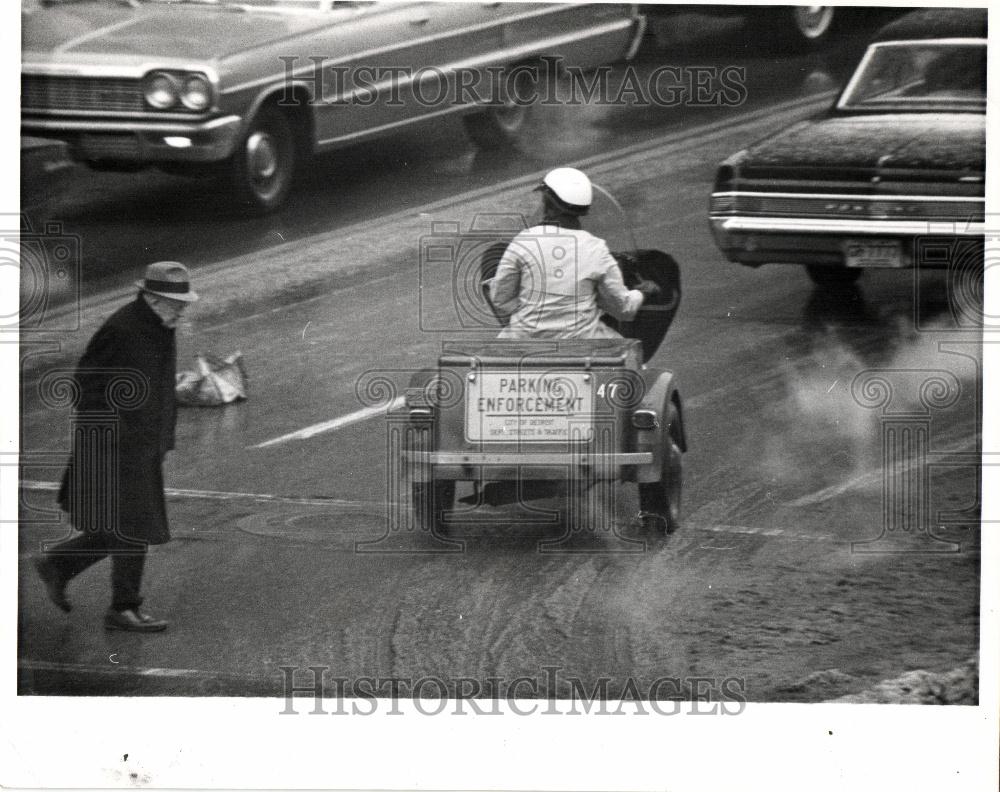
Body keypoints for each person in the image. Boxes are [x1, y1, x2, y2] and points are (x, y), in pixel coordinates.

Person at [33, 261, 198, 632]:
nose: (182, 308)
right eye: (176, 303)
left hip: (142, 444)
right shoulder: (123, 328)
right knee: (134, 526)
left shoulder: (159, 324)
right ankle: (123, 607)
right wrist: (115, 433)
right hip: (116, 447)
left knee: (127, 525)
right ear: (153, 297)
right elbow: (85, 385)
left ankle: (58, 565)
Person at [489, 167, 659, 339]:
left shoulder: (524, 241)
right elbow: (623, 309)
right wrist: (642, 292)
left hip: (526, 342)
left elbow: (499, 298)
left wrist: (536, 315)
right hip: (583, 344)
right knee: (627, 354)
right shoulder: (596, 248)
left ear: (550, 208)